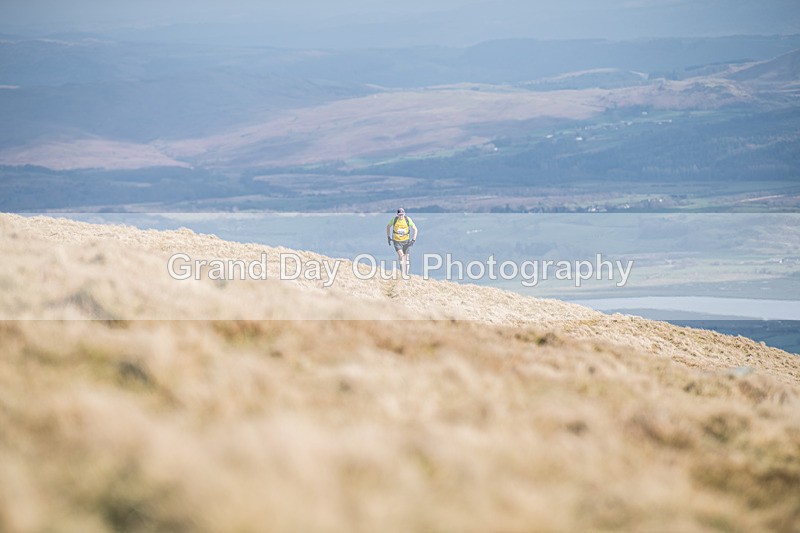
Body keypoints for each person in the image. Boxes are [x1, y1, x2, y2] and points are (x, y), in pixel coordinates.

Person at [386, 207, 418, 276]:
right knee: (401, 255)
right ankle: (402, 272)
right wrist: (388, 237)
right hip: (397, 241)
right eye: (400, 215)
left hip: (406, 241)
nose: (401, 216)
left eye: (402, 214)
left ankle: (406, 274)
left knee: (406, 258)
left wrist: (413, 240)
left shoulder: (407, 220)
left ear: (404, 214)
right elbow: (388, 226)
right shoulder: (394, 220)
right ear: (397, 214)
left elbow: (415, 229)